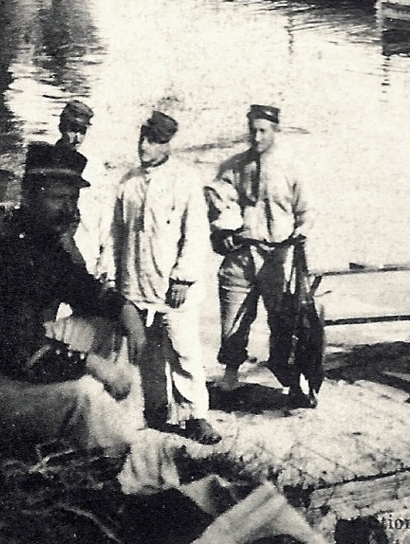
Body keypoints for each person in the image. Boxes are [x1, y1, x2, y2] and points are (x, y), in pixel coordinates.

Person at [0, 143, 149, 456]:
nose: (69, 209)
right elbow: (17, 351)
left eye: (73, 198)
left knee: (111, 323)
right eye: (57, 198)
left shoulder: (41, 242)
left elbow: (84, 289)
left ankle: (130, 428)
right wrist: (92, 365)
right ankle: (122, 451)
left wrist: (126, 309)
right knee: (85, 393)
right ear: (27, 196)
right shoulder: (3, 253)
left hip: (11, 362)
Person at [109, 110, 219, 445]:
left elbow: (196, 234)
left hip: (172, 289)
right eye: (142, 138)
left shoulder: (184, 181)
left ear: (167, 144)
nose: (144, 146)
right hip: (135, 285)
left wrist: (183, 278)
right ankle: (156, 410)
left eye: (153, 141)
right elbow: (115, 234)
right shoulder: (128, 183)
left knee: (183, 351)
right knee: (147, 353)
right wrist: (113, 280)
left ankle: (196, 415)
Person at [215, 104, 314, 406]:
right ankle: (230, 378)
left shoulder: (291, 168)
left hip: (278, 257)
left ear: (275, 131)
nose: (256, 137)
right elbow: (216, 209)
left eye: (263, 131)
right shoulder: (233, 167)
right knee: (233, 321)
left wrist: (301, 233)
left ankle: (292, 380)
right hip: (242, 256)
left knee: (285, 323)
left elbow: (306, 213)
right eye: (252, 130)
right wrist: (222, 234)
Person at [56, 100, 112, 284]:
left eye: (82, 131)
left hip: (87, 255)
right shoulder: (47, 163)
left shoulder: (94, 168)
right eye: (72, 130)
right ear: (61, 127)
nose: (77, 138)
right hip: (52, 259)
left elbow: (106, 215)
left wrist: (105, 260)